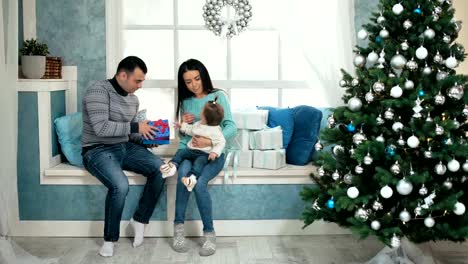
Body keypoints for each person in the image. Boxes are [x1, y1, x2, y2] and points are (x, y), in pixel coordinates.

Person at [81, 56, 165, 257]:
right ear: (122, 75)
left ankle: (139, 220)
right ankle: (109, 240)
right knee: (120, 185)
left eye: (142, 81)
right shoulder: (97, 91)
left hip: (123, 146)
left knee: (160, 169)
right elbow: (102, 128)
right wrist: (137, 127)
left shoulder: (133, 99)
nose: (140, 85)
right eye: (137, 80)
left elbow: (130, 134)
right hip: (96, 149)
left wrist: (148, 138)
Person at [171, 59, 237, 256]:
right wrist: (183, 123)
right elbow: (186, 135)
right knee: (183, 178)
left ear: (203, 76)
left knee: (199, 184)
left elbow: (231, 127)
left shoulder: (217, 97)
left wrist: (209, 143)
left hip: (212, 154)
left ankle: (209, 234)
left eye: (197, 79)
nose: (194, 84)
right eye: (188, 81)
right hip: (190, 152)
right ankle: (178, 231)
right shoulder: (186, 101)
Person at [160, 98, 226, 192]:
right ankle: (173, 166)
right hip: (191, 150)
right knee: (181, 153)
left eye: (202, 109)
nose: (200, 110)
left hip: (204, 154)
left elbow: (221, 142)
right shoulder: (198, 124)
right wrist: (182, 126)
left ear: (205, 117)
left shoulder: (215, 130)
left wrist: (214, 152)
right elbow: (191, 130)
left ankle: (192, 178)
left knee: (198, 164)